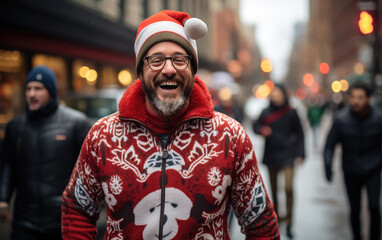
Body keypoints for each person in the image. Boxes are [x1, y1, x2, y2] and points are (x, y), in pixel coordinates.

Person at [61, 10, 280, 239]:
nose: (168, 69)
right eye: (156, 60)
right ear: (141, 70)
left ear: (192, 70)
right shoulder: (102, 136)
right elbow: (76, 209)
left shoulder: (230, 136)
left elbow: (260, 221)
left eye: (179, 59)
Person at [0, 65, 91, 239]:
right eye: (28, 88)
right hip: (24, 221)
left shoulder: (76, 123)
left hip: (64, 219)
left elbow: (90, 168)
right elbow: (7, 165)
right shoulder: (16, 126)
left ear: (51, 91)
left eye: (38, 88)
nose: (32, 94)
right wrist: (3, 199)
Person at [324, 81, 382, 240]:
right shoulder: (341, 120)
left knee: (374, 207)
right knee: (354, 210)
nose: (356, 101)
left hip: (373, 168)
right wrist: (327, 166)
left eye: (360, 97)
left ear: (368, 99)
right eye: (353, 97)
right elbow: (329, 145)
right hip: (351, 170)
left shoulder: (378, 119)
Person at [252, 83, 305, 239]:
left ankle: (289, 222)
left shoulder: (292, 112)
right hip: (272, 154)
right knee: (273, 190)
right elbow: (256, 125)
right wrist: (262, 130)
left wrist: (301, 154)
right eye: (273, 94)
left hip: (288, 154)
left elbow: (300, 133)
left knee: (288, 188)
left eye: (278, 93)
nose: (275, 96)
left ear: (283, 95)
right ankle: (276, 218)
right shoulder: (266, 111)